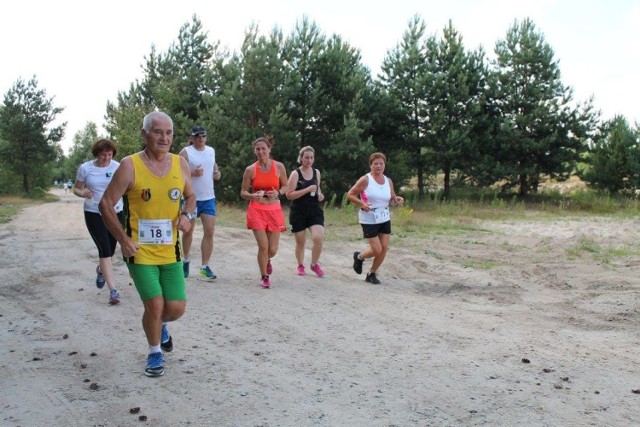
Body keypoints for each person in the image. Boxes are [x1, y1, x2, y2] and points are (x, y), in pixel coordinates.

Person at [99, 111, 195, 377]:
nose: (164, 138)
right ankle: (154, 352)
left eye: (169, 133)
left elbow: (191, 196)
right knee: (154, 305)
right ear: (144, 134)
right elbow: (105, 204)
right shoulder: (130, 165)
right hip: (139, 251)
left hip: (171, 249)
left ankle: (161, 326)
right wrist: (123, 239)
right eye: (157, 132)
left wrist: (187, 215)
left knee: (175, 308)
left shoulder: (180, 164)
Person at [72, 139, 124, 305]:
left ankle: (101, 270)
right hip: (94, 212)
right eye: (103, 155)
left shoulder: (117, 167)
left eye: (109, 155)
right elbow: (76, 188)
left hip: (115, 212)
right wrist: (82, 192)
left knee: (112, 248)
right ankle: (113, 290)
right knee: (104, 249)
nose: (106, 158)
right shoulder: (86, 168)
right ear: (96, 154)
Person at [346, 152, 404, 285]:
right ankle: (359, 257)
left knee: (384, 248)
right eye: (375, 164)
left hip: (384, 217)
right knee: (377, 249)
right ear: (371, 165)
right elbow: (350, 194)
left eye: (381, 163)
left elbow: (392, 199)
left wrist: (397, 199)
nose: (378, 166)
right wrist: (362, 203)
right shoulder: (365, 180)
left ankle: (371, 273)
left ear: (384, 165)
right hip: (369, 218)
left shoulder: (388, 181)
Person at [240, 135, 288, 289]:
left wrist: (278, 193)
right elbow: (243, 192)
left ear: (269, 149)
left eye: (263, 148)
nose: (260, 151)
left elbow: (286, 187)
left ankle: (267, 260)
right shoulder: (250, 170)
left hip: (274, 210)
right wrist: (252, 195)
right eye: (257, 149)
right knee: (263, 247)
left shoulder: (279, 167)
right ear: (255, 151)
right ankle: (264, 276)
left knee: (272, 249)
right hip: (256, 209)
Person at [179, 125, 221, 280]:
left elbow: (213, 165)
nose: (201, 139)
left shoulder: (211, 150)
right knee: (188, 231)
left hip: (208, 197)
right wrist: (192, 173)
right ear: (192, 138)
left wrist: (217, 173)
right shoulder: (185, 152)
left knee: (209, 232)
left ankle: (204, 266)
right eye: (197, 136)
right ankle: (186, 260)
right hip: (191, 198)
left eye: (203, 136)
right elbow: (176, 172)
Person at [285, 146, 326, 277]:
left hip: (314, 210)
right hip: (298, 211)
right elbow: (289, 195)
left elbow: (318, 190)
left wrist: (320, 195)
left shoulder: (316, 172)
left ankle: (314, 264)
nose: (309, 160)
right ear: (301, 158)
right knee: (300, 241)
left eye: (311, 157)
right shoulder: (295, 174)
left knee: (318, 237)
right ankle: (300, 265)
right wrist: (307, 190)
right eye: (306, 157)